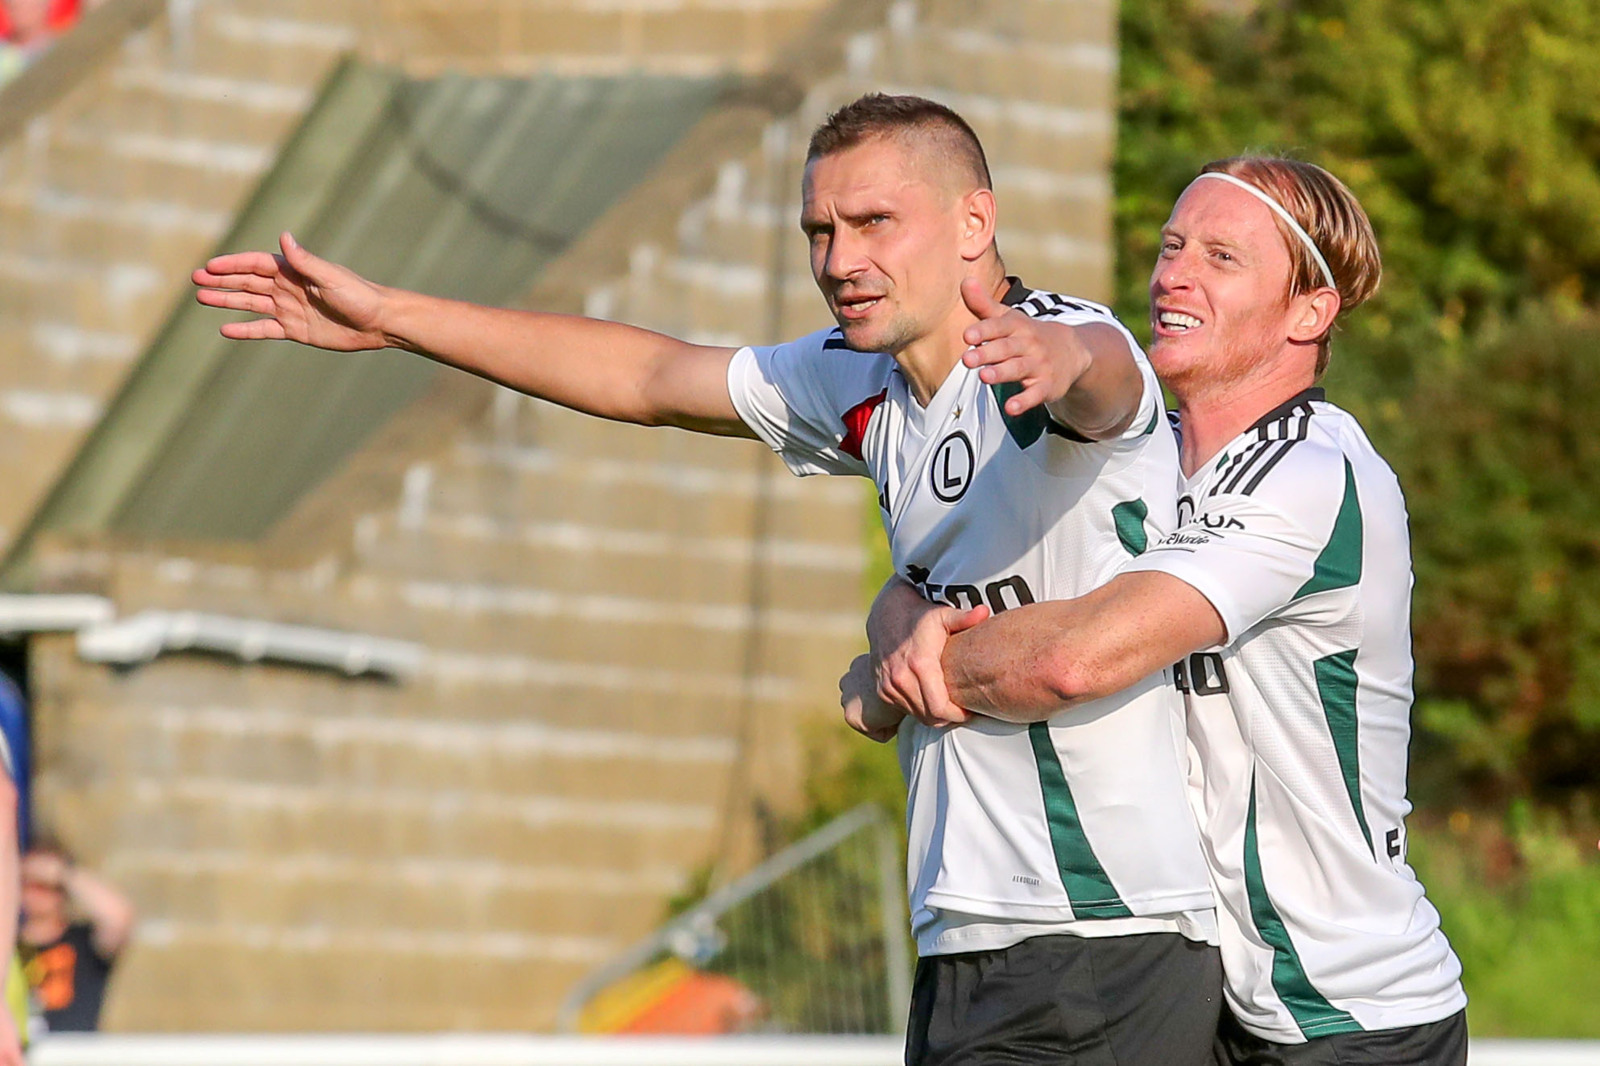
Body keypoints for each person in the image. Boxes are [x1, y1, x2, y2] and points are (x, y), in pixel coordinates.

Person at [194, 93, 1221, 1065]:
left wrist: (1063, 356)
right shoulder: (861, 380)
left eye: (873, 222)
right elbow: (647, 377)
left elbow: (1108, 378)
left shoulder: (1043, 348)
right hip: (967, 931)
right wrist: (390, 320)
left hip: (1103, 929)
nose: (840, 259)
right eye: (819, 230)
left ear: (972, 221)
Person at [856, 157, 1469, 1065]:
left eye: (1223, 256)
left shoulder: (1309, 474)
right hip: (1206, 1002)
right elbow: (959, 569)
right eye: (1172, 245)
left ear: (1311, 313)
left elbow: (1075, 659)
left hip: (1353, 1013)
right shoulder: (1136, 459)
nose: (1174, 274)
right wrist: (900, 612)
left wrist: (902, 672)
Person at [18, 837, 135, 1032]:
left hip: (73, 1055)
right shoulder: (8, 946)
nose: (36, 893)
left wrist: (64, 872)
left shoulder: (83, 941)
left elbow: (120, 917)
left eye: (47, 886)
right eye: (28, 883)